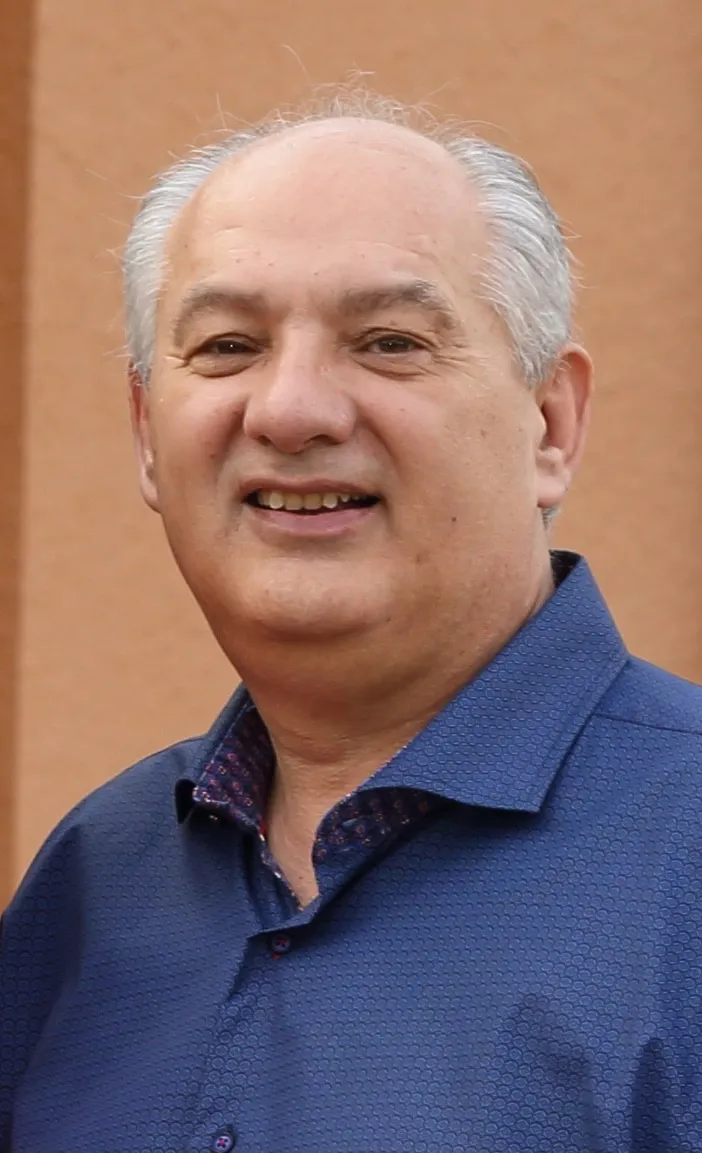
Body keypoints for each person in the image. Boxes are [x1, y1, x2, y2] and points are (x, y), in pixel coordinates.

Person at [2, 87, 702, 1153]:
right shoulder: (94, 880)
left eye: (389, 342)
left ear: (549, 423)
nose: (289, 410)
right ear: (149, 433)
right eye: (229, 346)